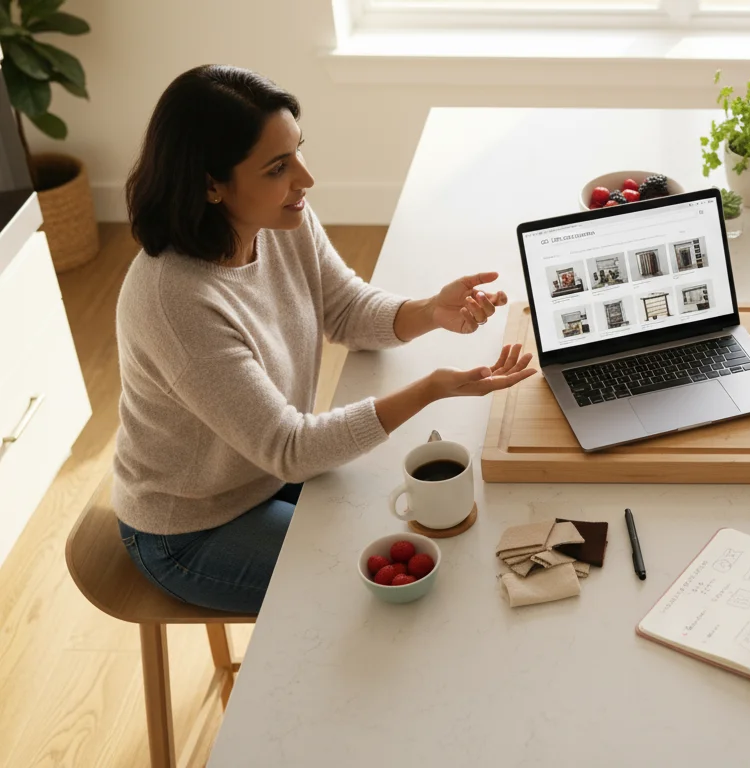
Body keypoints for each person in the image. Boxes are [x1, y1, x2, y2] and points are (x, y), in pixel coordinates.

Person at [114, 65, 536, 614]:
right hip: (193, 528)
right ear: (210, 184)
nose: (305, 179)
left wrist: (430, 311)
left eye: (298, 152)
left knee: (420, 535)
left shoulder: (278, 220)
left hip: (262, 475)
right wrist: (430, 389)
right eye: (277, 167)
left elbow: (346, 310)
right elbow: (293, 450)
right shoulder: (175, 303)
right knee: (388, 579)